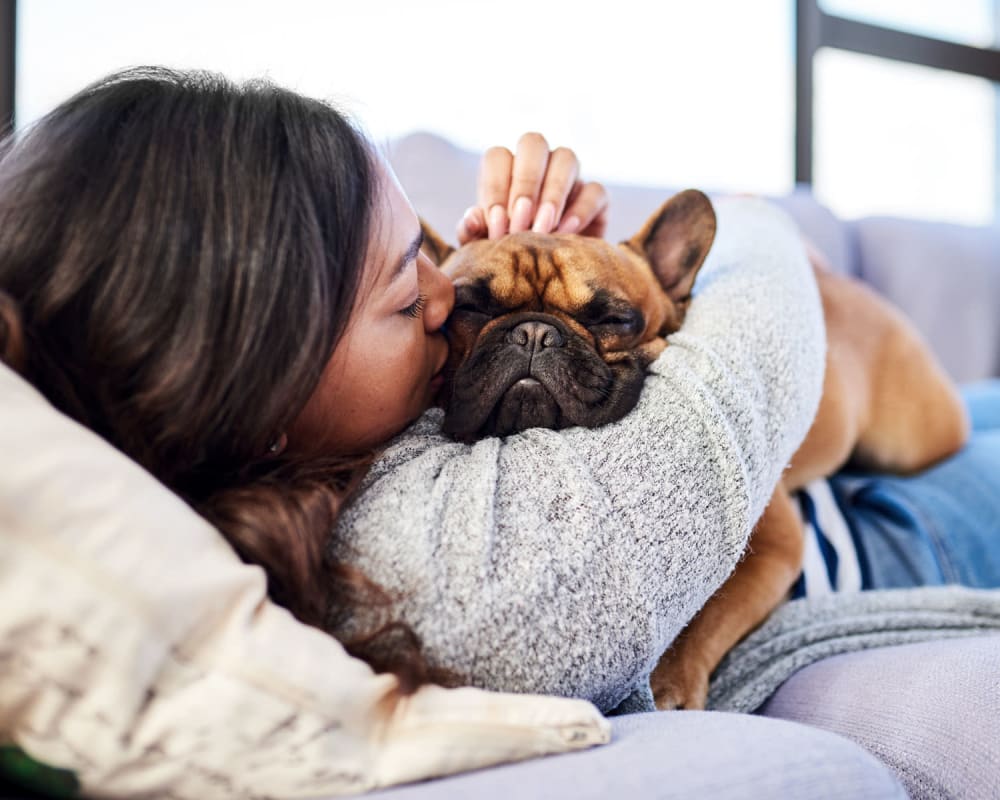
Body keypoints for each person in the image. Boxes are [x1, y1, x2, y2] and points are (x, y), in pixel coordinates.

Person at [0, 67, 997, 798]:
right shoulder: (479, 564)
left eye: (442, 265)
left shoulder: (294, 473)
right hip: (883, 525)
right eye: (411, 293)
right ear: (260, 385)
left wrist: (532, 269)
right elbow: (762, 273)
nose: (447, 293)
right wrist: (692, 250)